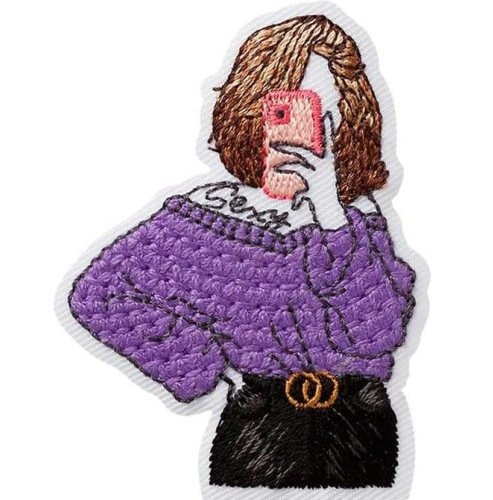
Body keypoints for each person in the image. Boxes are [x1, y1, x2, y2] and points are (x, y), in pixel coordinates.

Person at [69, 15, 415, 489]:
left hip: (362, 430)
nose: (303, 131)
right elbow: (100, 294)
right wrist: (207, 366)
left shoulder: (357, 218)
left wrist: (330, 208)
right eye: (288, 109)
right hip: (258, 430)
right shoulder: (201, 218)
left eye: (323, 114)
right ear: (254, 109)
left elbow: (377, 334)